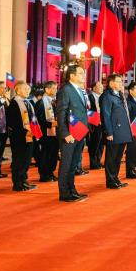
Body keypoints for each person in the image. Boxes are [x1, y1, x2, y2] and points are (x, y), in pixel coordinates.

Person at [55, 64, 89, 202]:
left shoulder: (80, 90)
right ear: (72, 75)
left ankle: (72, 189)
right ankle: (64, 192)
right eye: (80, 73)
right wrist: (64, 133)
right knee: (66, 163)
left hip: (79, 132)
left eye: (83, 73)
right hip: (69, 133)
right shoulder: (65, 90)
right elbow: (61, 113)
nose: (83, 75)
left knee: (74, 163)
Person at [100, 74, 133, 189]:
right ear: (111, 83)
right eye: (118, 81)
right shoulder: (106, 96)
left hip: (122, 131)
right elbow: (106, 115)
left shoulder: (119, 95)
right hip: (114, 131)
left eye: (121, 81)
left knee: (118, 157)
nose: (121, 84)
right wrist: (109, 132)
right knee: (111, 157)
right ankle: (110, 180)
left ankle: (115, 178)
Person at [6, 81, 37, 192]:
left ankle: (24, 180)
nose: (27, 91)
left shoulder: (28, 102)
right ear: (18, 90)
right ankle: (18, 183)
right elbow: (12, 121)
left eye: (28, 89)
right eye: (25, 89)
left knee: (26, 159)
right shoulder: (14, 103)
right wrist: (25, 132)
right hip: (19, 136)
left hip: (30, 135)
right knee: (19, 160)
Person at [35, 81, 59, 182]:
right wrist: (50, 124)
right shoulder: (41, 102)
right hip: (45, 133)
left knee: (54, 153)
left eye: (56, 88)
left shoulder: (55, 101)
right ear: (47, 89)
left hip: (55, 132)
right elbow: (38, 119)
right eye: (53, 88)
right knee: (46, 153)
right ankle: (44, 174)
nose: (55, 90)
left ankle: (51, 172)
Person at [124, 82, 136, 179]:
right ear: (130, 91)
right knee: (131, 150)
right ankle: (129, 171)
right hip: (131, 129)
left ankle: (134, 169)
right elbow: (128, 118)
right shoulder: (128, 102)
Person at [86, 80, 105, 170]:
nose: (102, 88)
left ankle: (98, 160)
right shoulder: (89, 97)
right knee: (94, 143)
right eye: (99, 87)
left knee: (101, 143)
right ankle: (93, 163)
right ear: (94, 88)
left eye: (102, 87)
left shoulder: (103, 97)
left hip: (102, 123)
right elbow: (88, 111)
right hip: (94, 123)